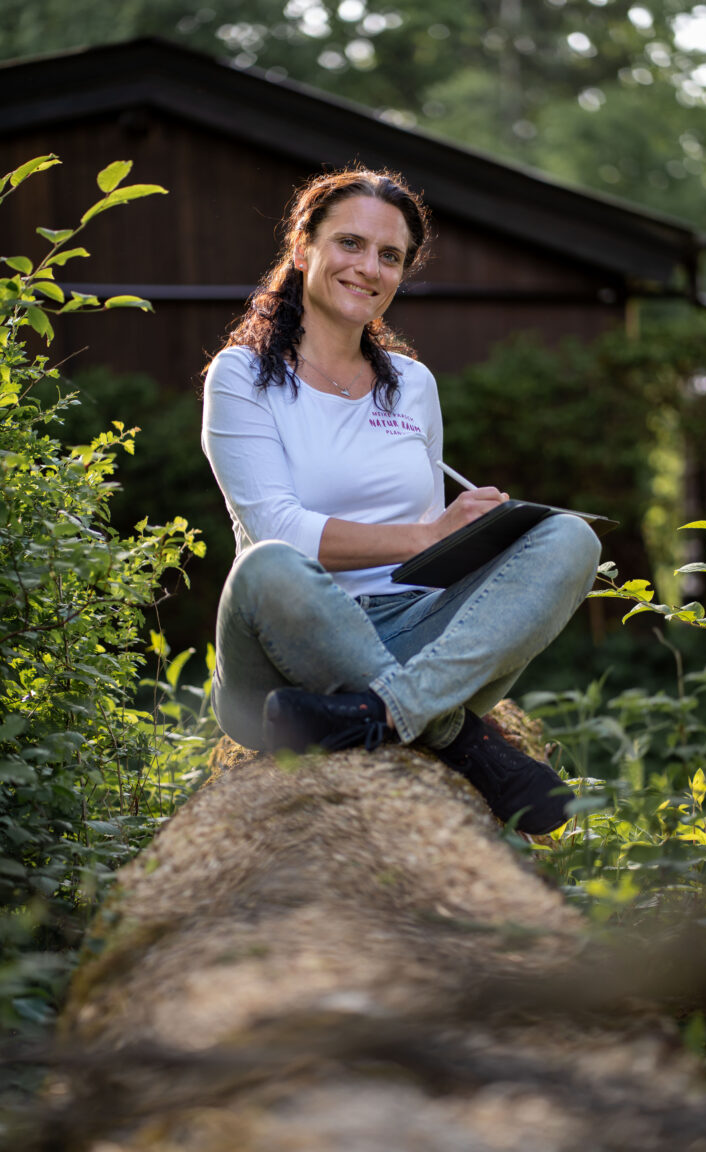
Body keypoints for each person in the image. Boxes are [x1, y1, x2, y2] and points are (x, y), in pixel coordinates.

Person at [201, 167, 601, 835]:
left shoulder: (412, 385)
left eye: (390, 256)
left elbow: (428, 535)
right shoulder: (241, 375)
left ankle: (380, 714)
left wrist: (474, 533)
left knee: (570, 538)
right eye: (351, 244)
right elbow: (280, 529)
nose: (369, 267)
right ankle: (458, 739)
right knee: (269, 563)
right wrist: (423, 538)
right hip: (281, 658)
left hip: (412, 629)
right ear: (304, 250)